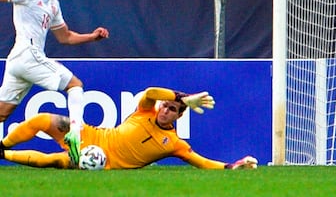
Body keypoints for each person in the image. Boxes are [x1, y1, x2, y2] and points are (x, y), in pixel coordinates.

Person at [0, 0, 109, 157]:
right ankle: (76, 134)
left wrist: (92, 37)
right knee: (75, 85)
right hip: (27, 54)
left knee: (2, 113)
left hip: (19, 61)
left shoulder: (53, 6)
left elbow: (65, 37)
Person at [0, 87, 258, 170]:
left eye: (173, 109)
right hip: (91, 135)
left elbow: (201, 161)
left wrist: (230, 166)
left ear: (179, 116)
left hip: (105, 161)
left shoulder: (174, 143)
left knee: (54, 161)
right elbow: (149, 93)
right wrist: (182, 96)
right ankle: (3, 145)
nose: (166, 110)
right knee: (43, 120)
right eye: (166, 106)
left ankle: (3, 156)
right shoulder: (145, 110)